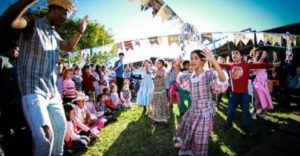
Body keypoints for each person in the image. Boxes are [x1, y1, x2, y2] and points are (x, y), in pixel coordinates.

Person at [1, 0, 89, 155]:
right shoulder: (32, 23)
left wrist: (80, 31)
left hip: (52, 92)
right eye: (64, 14)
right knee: (45, 139)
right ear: (54, 10)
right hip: (33, 91)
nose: (65, 18)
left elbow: (68, 46)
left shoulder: (54, 33)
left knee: (60, 131)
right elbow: (10, 20)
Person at [173, 49, 228, 156]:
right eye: (191, 58)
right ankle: (186, 145)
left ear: (203, 61)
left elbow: (222, 81)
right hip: (193, 110)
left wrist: (214, 61)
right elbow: (180, 77)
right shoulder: (190, 76)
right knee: (189, 131)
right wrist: (176, 66)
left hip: (204, 113)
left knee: (199, 137)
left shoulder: (208, 74)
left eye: (196, 58)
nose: (192, 61)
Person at [220, 50, 278, 135]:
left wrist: (272, 65)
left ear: (241, 56)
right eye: (233, 54)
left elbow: (260, 65)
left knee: (245, 113)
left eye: (236, 53)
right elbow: (219, 64)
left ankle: (248, 129)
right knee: (230, 110)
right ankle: (229, 125)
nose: (234, 55)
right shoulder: (230, 65)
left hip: (244, 94)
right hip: (234, 94)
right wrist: (210, 60)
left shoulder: (246, 65)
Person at [0, 43, 32, 155]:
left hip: (17, 100)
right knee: (6, 128)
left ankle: (21, 148)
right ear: (10, 49)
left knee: (19, 127)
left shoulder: (15, 62)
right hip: (5, 101)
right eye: (16, 50)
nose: (18, 53)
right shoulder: (2, 59)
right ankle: (10, 149)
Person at [252, 51, 273, 120]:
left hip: (264, 82)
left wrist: (274, 60)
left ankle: (262, 114)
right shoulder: (256, 61)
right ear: (260, 54)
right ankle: (254, 113)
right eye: (264, 54)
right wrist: (261, 58)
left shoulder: (266, 62)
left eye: (266, 54)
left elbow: (272, 68)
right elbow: (254, 68)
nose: (265, 55)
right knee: (258, 99)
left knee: (267, 97)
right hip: (257, 82)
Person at [148, 58, 169, 124]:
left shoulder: (163, 71)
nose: (157, 64)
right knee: (155, 104)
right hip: (155, 90)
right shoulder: (156, 70)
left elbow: (164, 76)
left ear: (162, 64)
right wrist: (149, 66)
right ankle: (156, 118)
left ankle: (164, 119)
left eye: (159, 63)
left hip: (161, 91)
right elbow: (149, 70)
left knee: (162, 105)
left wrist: (155, 71)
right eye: (156, 63)